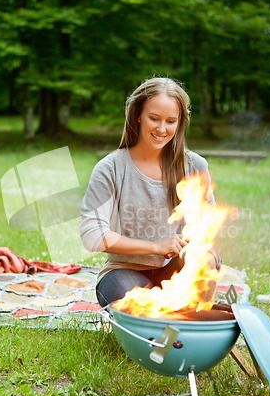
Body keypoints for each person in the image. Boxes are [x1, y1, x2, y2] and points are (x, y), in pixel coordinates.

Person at [80, 77, 221, 308]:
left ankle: (196, 321)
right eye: (154, 118)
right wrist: (157, 246)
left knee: (207, 259)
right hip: (123, 273)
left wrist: (194, 244)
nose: (162, 129)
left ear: (179, 123)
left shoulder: (195, 166)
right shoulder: (111, 168)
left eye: (170, 121)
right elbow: (92, 235)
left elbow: (207, 225)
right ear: (138, 115)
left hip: (177, 269)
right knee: (139, 305)